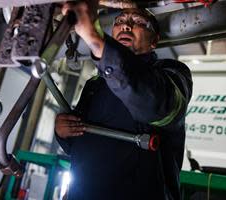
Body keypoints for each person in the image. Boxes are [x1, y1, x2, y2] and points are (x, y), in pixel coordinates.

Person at [55, 2, 193, 200]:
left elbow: (157, 106)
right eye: (120, 21)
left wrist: (96, 40)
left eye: (138, 22)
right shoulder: (95, 84)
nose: (126, 25)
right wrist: (62, 132)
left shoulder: (172, 73)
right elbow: (80, 145)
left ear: (154, 41)